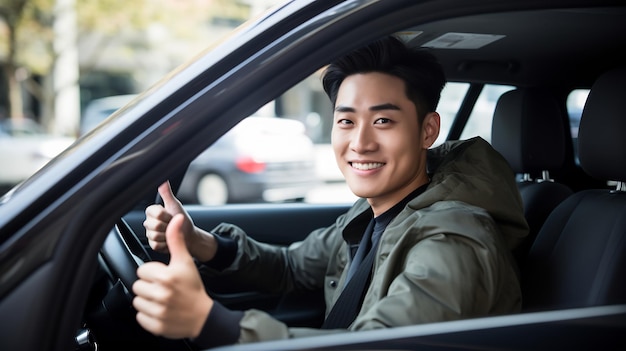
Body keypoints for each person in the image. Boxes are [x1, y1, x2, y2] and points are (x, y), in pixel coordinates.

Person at [132, 35, 528, 348]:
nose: (360, 143)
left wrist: (210, 322)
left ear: (428, 130)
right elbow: (291, 266)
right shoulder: (371, 213)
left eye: (384, 120)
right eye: (346, 121)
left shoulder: (455, 241)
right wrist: (198, 241)